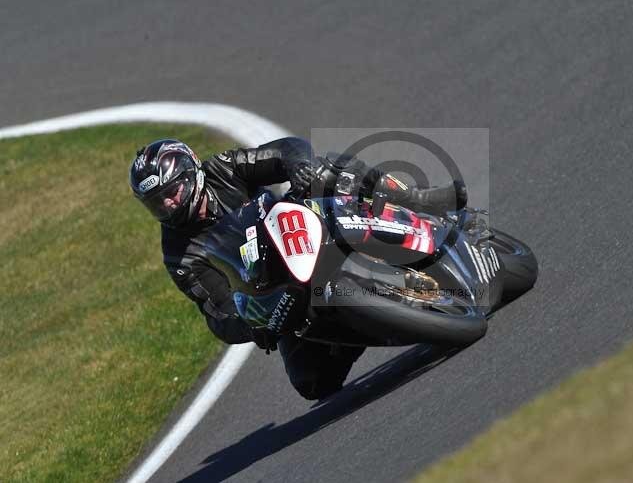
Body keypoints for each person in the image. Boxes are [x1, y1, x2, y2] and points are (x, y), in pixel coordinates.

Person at [129, 137, 466, 400]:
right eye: (157, 202)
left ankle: (418, 200)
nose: (168, 204)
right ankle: (366, 323)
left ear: (192, 174)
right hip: (278, 289)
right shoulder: (179, 256)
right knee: (313, 382)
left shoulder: (222, 168)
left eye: (170, 192)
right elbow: (218, 313)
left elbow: (283, 151)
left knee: (329, 169)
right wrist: (253, 323)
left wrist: (299, 167)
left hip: (302, 223)